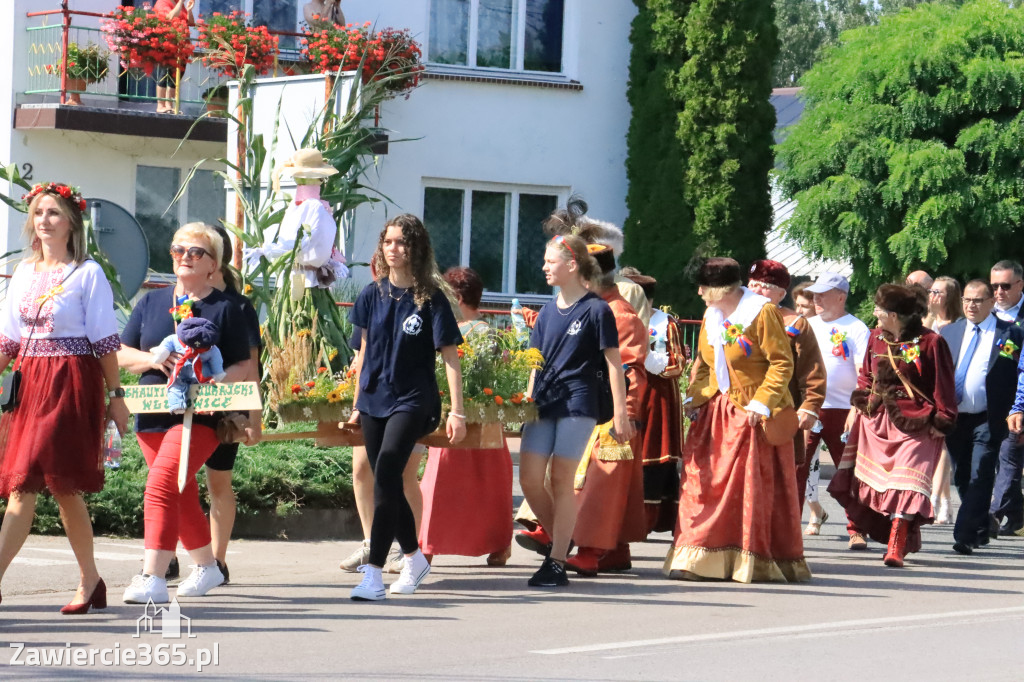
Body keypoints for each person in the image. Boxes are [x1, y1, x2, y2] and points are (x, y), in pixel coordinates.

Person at [0, 182, 127, 614]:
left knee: (41, 483)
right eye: (38, 213)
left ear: (72, 221)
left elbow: (105, 341)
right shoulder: (23, 272)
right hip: (30, 382)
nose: (45, 221)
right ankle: (91, 580)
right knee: (43, 487)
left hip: (71, 382)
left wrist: (117, 396)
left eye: (53, 213)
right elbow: (8, 340)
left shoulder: (87, 273)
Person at [118, 223, 254, 604]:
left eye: (195, 252)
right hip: (150, 412)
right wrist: (153, 360)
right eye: (178, 250)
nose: (184, 257)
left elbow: (244, 365)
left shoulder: (228, 308)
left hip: (201, 415)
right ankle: (208, 566)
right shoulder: (150, 302)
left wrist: (220, 383)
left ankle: (153, 577)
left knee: (161, 485)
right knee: (180, 493)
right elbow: (121, 352)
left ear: (214, 264)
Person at [664, 258, 808, 583]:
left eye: (703, 286)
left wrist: (762, 403)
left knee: (744, 492)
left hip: (753, 413)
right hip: (718, 412)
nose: (699, 292)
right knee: (701, 486)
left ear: (721, 288)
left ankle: (745, 560)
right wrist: (694, 397)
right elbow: (704, 361)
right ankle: (696, 556)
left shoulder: (762, 312)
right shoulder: (711, 314)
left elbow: (782, 364)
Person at [346, 214, 466, 601]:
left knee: (387, 472)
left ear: (416, 249)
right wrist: (355, 403)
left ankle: (374, 574)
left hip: (414, 400)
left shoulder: (431, 298)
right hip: (373, 399)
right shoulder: (371, 294)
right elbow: (363, 351)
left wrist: (457, 411)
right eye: (389, 242)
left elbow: (450, 356)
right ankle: (414, 557)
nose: (394, 249)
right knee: (387, 482)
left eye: (402, 242)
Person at [519, 234, 632, 587]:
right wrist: (526, 397)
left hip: (578, 403)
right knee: (529, 479)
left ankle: (555, 562)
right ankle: (562, 542)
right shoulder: (548, 311)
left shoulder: (597, 310)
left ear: (571, 266)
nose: (544, 267)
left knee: (561, 479)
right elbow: (534, 362)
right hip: (544, 403)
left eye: (550, 261)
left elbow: (615, 364)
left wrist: (621, 414)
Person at [828, 285, 957, 567]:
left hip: (918, 422)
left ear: (895, 315)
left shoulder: (931, 342)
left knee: (908, 484)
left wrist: (942, 419)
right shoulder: (876, 338)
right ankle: (890, 534)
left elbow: (943, 385)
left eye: (879, 309)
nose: (874, 313)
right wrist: (860, 405)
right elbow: (866, 376)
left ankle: (896, 546)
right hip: (877, 421)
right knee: (881, 484)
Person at [417, 267, 513, 567]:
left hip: (454, 415)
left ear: (457, 297)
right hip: (488, 417)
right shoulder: (493, 333)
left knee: (439, 483)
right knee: (491, 487)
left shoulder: (457, 332)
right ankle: (499, 546)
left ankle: (427, 545)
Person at [565, 246, 647, 576]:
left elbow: (630, 370)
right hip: (585, 408)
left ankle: (589, 550)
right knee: (586, 481)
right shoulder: (591, 307)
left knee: (602, 484)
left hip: (613, 415)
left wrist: (624, 415)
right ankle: (613, 552)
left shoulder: (620, 315)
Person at [940, 281, 1024, 554]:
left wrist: (1016, 408)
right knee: (963, 475)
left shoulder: (1009, 333)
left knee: (981, 471)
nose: (971, 306)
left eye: (977, 300)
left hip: (989, 417)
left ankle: (963, 534)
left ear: (991, 302)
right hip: (956, 416)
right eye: (967, 300)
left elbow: (1015, 373)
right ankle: (981, 524)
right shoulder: (949, 332)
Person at [203, 224, 262, 584]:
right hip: (181, 404)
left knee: (217, 484)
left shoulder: (240, 307)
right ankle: (171, 554)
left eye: (201, 251)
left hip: (226, 408)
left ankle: (217, 560)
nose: (192, 258)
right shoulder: (179, 299)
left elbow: (251, 366)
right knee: (170, 484)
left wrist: (254, 418)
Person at [746, 261, 827, 522]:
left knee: (775, 481)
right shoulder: (732, 317)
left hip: (778, 412)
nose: (757, 290)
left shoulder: (795, 324)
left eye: (766, 287)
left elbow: (812, 370)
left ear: (781, 294)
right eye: (753, 284)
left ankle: (773, 541)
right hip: (739, 411)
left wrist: (810, 406)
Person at [804, 272, 872, 549]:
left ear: (841, 296)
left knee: (848, 472)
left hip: (842, 409)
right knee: (796, 466)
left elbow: (863, 372)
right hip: (809, 407)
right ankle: (781, 526)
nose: (816, 299)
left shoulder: (856, 328)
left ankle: (857, 528)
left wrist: (857, 408)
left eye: (823, 293)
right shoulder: (806, 325)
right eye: (815, 294)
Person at [623, 270, 685, 535]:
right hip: (629, 393)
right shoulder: (622, 319)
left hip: (656, 398)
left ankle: (653, 517)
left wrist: (651, 362)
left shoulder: (664, 322)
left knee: (654, 456)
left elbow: (677, 363)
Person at [989, 260, 1024, 536]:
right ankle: (1017, 515)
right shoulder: (986, 313)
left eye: (1005, 286)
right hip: (987, 400)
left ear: (1020, 285)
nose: (998, 292)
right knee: (999, 459)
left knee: (1009, 456)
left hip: (1018, 401)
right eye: (994, 286)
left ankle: (991, 514)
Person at [924, 276, 962, 523]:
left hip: (949, 390)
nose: (933, 296)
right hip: (925, 391)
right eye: (931, 291)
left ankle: (934, 499)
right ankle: (946, 502)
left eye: (939, 292)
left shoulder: (959, 325)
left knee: (944, 446)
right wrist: (930, 315)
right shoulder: (926, 322)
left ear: (951, 297)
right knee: (936, 447)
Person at [151, 318, 225, 414]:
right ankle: (177, 405)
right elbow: (167, 345)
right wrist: (162, 353)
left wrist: (218, 374)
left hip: (201, 373)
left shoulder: (212, 349)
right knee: (175, 385)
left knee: (206, 385)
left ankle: (204, 404)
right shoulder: (174, 339)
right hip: (180, 371)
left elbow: (216, 360)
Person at [151, 0, 195, 114]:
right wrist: (181, 2)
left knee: (176, 76)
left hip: (182, 46)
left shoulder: (180, 5)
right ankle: (160, 105)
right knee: (164, 74)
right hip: (168, 44)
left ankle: (169, 105)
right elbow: (170, 17)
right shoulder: (163, 2)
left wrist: (189, 10)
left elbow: (190, 22)